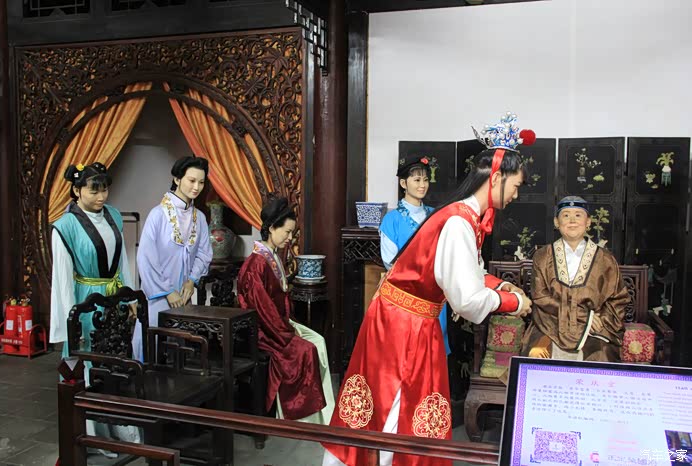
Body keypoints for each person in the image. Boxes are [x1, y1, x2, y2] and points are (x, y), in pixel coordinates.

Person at [322, 112, 534, 466]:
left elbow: (467, 274)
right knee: (391, 406)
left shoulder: (462, 217)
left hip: (413, 320)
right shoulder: (458, 222)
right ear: (496, 178)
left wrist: (500, 284)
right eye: (516, 185)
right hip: (402, 326)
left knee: (409, 408)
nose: (516, 194)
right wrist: (513, 302)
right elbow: (467, 300)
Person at [49, 161, 139, 450]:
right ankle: (93, 435)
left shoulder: (113, 215)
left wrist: (129, 296)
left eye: (105, 190)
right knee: (88, 363)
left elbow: (121, 261)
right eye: (94, 190)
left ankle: (120, 427)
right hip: (86, 300)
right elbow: (62, 279)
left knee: (116, 362)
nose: (102, 197)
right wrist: (71, 320)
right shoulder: (64, 227)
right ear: (77, 191)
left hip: (113, 298)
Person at [237, 196, 335, 424]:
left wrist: (289, 326)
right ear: (272, 228)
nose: (290, 238)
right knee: (306, 350)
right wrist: (287, 333)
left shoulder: (271, 256)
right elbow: (263, 311)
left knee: (319, 341)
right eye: (287, 232)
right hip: (265, 331)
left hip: (280, 324)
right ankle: (302, 419)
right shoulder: (255, 265)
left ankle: (325, 412)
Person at [521, 196, 629, 362]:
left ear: (588, 222)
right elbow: (540, 297)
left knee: (601, 355)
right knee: (537, 352)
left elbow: (618, 298)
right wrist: (584, 318)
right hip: (551, 324)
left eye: (578, 215)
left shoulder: (605, 259)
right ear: (557, 222)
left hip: (594, 328)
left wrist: (600, 321)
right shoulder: (542, 256)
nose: (572, 220)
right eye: (566, 215)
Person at [132, 156, 213, 361]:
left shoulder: (200, 218)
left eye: (201, 182)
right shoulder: (158, 215)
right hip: (158, 295)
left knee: (178, 346)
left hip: (184, 294)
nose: (196, 187)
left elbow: (204, 253)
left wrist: (191, 280)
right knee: (151, 344)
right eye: (191, 180)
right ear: (177, 179)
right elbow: (146, 258)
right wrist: (168, 291)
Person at [379, 156, 450, 355]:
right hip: (406, 295)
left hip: (434, 292)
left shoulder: (436, 215)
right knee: (406, 350)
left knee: (435, 346)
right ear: (403, 183)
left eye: (425, 180)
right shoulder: (391, 220)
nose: (422, 185)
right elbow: (390, 262)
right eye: (417, 180)